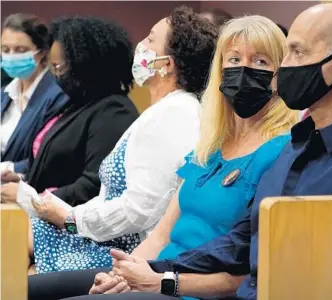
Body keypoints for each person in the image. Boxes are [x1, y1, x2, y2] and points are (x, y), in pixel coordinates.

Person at [57, 3, 332, 300]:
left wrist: (165, 281)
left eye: (296, 52)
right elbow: (240, 241)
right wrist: (153, 270)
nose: (285, 68)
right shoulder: (300, 146)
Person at [28, 14, 299, 300]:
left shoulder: (280, 152)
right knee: (25, 290)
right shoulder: (210, 146)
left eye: (260, 62)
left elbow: (253, 274)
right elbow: (161, 235)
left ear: (279, 76)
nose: (243, 70)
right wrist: (119, 278)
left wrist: (161, 282)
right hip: (157, 272)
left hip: (189, 289)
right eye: (233, 60)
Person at [24, 6, 218, 275]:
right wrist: (65, 215)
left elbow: (140, 210)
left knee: (16, 264)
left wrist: (70, 219)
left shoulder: (174, 114)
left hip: (125, 252)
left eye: (151, 39)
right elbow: (111, 197)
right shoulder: (165, 110)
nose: (141, 44)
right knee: (13, 239)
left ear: (166, 64)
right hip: (106, 238)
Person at [1, 16, 138, 206]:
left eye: (61, 67)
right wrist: (24, 181)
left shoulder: (113, 111)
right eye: (54, 67)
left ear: (86, 63)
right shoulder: (76, 104)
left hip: (73, 228)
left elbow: (94, 185)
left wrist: (31, 199)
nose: (57, 75)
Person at [1, 13, 68, 178]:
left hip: (30, 191)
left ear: (41, 53)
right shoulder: (4, 94)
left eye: (20, 50)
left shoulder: (59, 95)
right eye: (5, 49)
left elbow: (52, 155)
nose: (11, 56)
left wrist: (12, 169)